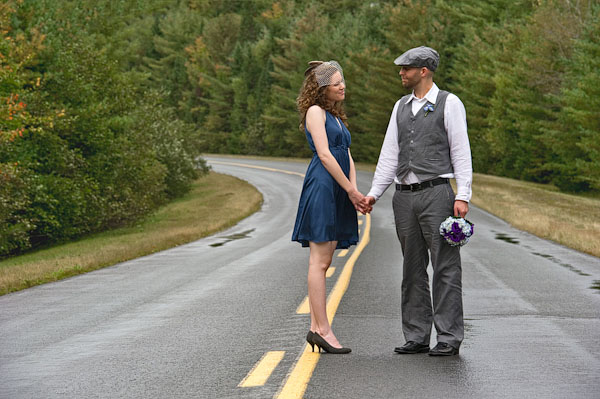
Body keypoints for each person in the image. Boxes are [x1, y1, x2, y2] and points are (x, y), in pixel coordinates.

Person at [362, 46, 472, 356]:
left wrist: (462, 195)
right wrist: (373, 194)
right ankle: (417, 335)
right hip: (403, 198)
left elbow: (461, 151)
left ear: (423, 71)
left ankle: (449, 337)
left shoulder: (449, 104)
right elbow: (389, 156)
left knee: (445, 267)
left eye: (407, 68)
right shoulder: (400, 107)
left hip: (437, 194)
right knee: (411, 269)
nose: (401, 72)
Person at [292, 60, 369, 354]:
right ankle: (322, 329)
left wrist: (354, 191)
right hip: (324, 186)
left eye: (343, 81)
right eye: (336, 82)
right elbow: (324, 155)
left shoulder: (336, 117)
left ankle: (315, 327)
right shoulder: (315, 112)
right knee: (320, 261)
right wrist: (348, 189)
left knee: (324, 261)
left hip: (339, 188)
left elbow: (346, 154)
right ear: (322, 87)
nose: (342, 86)